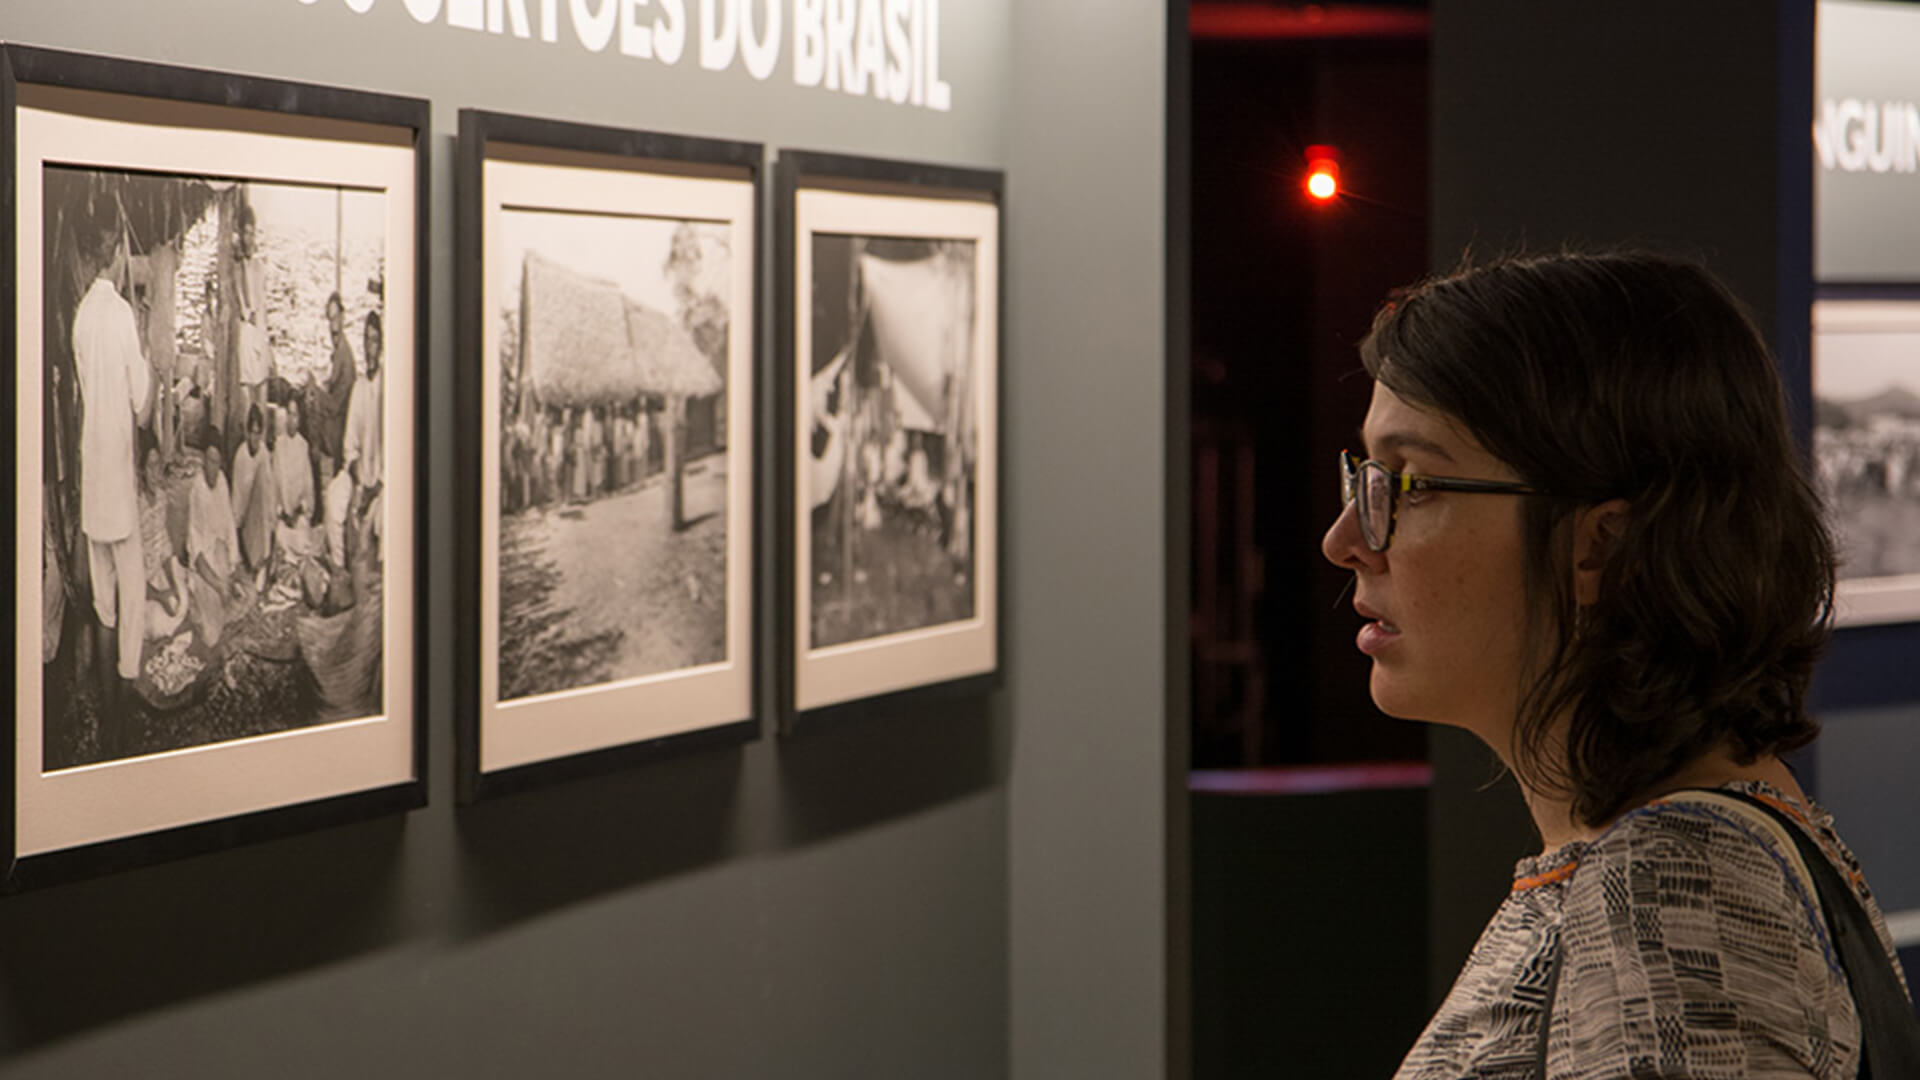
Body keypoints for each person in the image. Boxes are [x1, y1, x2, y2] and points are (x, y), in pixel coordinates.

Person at [1320, 251, 1913, 1077]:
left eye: (1410, 483)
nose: (1345, 540)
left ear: (1602, 544)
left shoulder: (1672, 891)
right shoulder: (1680, 855)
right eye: (1364, 476)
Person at [72, 222, 154, 705]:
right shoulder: (122, 313)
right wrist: (152, 365)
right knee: (133, 591)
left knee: (104, 601)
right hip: (118, 476)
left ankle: (105, 711)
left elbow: (90, 393)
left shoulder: (81, 317)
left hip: (93, 473)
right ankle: (123, 711)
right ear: (117, 253)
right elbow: (141, 409)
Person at [337, 310, 384, 564]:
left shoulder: (389, 387)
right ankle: (339, 569)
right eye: (366, 340)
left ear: (382, 345)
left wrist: (375, 487)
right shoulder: (359, 387)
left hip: (383, 484)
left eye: (374, 340)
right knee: (334, 501)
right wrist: (355, 470)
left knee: (382, 520)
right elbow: (350, 443)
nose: (369, 348)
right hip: (360, 478)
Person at [187, 442, 245, 647]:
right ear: (203, 460)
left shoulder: (222, 481)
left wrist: (234, 564)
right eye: (211, 461)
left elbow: (229, 524)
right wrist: (219, 585)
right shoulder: (197, 489)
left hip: (222, 558)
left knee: (247, 598)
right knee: (212, 635)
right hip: (205, 568)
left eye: (218, 462)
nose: (214, 467)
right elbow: (196, 552)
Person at [230, 404, 278, 575]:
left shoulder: (264, 453)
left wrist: (272, 520)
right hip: (245, 516)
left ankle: (263, 555)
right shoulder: (241, 456)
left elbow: (269, 489)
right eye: (252, 433)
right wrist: (238, 524)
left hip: (261, 513)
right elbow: (238, 494)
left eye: (258, 433)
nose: (254, 438)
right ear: (247, 433)